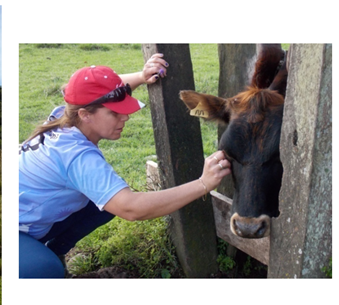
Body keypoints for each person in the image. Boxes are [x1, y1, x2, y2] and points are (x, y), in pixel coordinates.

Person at [19, 54, 232, 278]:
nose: (125, 117)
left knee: (103, 204)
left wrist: (141, 76)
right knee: (43, 269)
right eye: (114, 112)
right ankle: (39, 261)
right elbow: (131, 208)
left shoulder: (66, 114)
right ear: (85, 114)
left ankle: (51, 250)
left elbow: (99, 92)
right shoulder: (77, 157)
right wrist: (203, 183)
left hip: (25, 214)